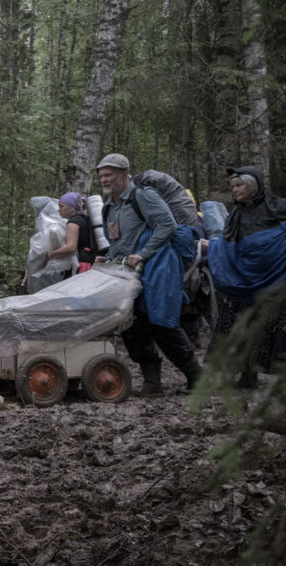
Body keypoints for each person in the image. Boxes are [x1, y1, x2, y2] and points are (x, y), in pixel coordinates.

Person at [94, 153, 202, 394]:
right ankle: (152, 381)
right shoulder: (110, 206)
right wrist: (108, 257)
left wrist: (144, 253)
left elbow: (167, 225)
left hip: (156, 267)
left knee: (161, 322)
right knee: (131, 325)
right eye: (101, 176)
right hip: (127, 273)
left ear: (124, 174)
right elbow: (118, 241)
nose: (104, 180)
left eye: (109, 174)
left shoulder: (143, 196)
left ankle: (197, 377)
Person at [204, 166, 286, 387]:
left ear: (254, 186)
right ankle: (247, 375)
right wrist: (212, 247)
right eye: (233, 186)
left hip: (276, 282)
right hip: (244, 284)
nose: (235, 190)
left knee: (274, 327)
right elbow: (227, 246)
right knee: (242, 327)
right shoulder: (236, 215)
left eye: (239, 185)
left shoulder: (278, 207)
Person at [47, 192, 95, 274]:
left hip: (80, 266)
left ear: (72, 208)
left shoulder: (73, 222)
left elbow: (71, 248)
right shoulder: (84, 219)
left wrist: (50, 254)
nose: (59, 209)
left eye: (62, 206)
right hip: (89, 262)